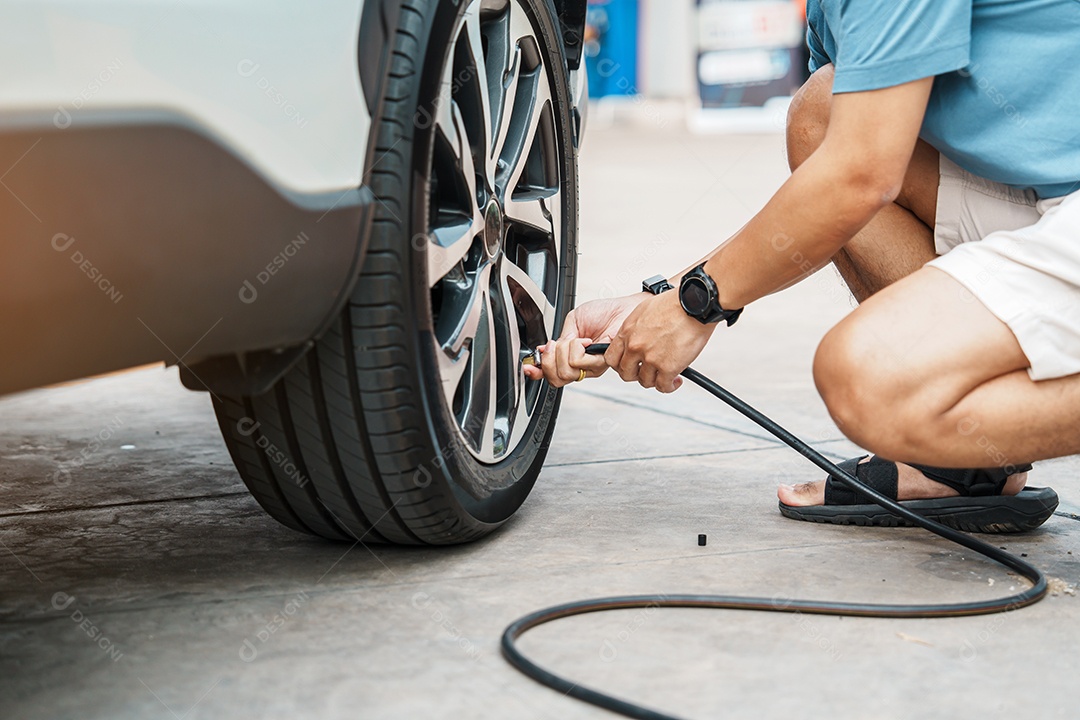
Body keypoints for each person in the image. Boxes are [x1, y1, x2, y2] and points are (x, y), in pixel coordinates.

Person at [524, 0, 1080, 533]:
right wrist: (668, 298)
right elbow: (834, 186)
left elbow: (860, 175)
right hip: (1051, 198)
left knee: (869, 379)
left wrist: (695, 305)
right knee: (823, 112)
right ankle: (966, 468)